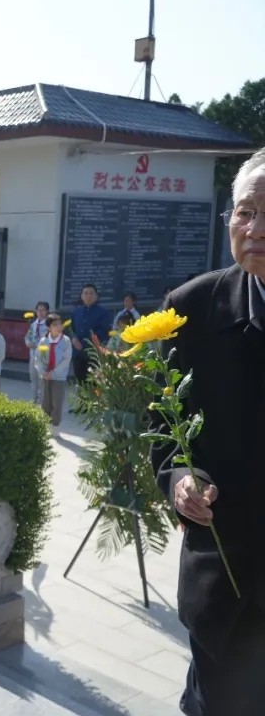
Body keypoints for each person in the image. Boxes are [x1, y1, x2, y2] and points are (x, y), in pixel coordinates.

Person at [150, 148, 265, 716]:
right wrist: (180, 478)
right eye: (245, 212)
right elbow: (163, 429)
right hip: (228, 587)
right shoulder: (191, 310)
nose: (255, 230)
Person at [68, 284, 110, 384]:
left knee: (94, 384)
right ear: (82, 296)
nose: (88, 296)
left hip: (93, 354)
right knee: (80, 383)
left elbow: (102, 332)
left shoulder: (103, 313)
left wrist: (84, 344)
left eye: (91, 293)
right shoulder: (76, 312)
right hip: (78, 354)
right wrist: (73, 339)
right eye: (86, 293)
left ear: (96, 296)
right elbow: (71, 329)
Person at [35, 314, 71, 427]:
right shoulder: (43, 341)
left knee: (57, 402)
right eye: (55, 325)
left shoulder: (66, 341)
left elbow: (66, 359)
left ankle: (55, 425)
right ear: (48, 328)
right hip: (45, 376)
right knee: (45, 401)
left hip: (58, 377)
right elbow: (38, 358)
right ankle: (44, 424)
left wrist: (54, 372)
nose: (58, 327)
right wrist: (42, 372)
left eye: (60, 324)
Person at [23, 302, 50, 405]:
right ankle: (34, 399)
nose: (40, 312)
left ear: (47, 311)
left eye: (43, 310)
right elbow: (28, 336)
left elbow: (47, 340)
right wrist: (27, 342)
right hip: (33, 356)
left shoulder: (48, 325)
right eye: (39, 310)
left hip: (43, 357)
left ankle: (42, 401)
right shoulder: (33, 325)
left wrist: (37, 344)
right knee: (33, 379)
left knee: (41, 380)